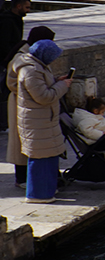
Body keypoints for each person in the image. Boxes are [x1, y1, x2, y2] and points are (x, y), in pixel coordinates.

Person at [12, 39, 71, 202]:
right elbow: (44, 96)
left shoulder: (38, 66)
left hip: (44, 120)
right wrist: (63, 86)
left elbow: (44, 87)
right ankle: (37, 194)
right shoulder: (30, 70)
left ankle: (47, 191)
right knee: (39, 159)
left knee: (49, 156)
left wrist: (58, 81)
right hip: (36, 122)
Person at [6, 26, 53, 187]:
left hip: (29, 105)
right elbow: (11, 83)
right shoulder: (22, 58)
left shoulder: (32, 55)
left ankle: (30, 176)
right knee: (21, 142)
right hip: (21, 105)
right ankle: (21, 178)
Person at [0, 0, 32, 132]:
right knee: (3, 93)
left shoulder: (16, 19)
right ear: (18, 6)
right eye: (27, 7)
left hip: (9, 60)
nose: (28, 10)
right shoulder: (7, 21)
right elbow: (4, 43)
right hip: (4, 61)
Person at [73, 97, 105, 165]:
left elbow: (97, 126)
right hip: (93, 142)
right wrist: (102, 134)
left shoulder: (92, 117)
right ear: (95, 111)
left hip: (96, 140)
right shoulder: (88, 119)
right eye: (102, 112)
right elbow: (88, 131)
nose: (103, 114)